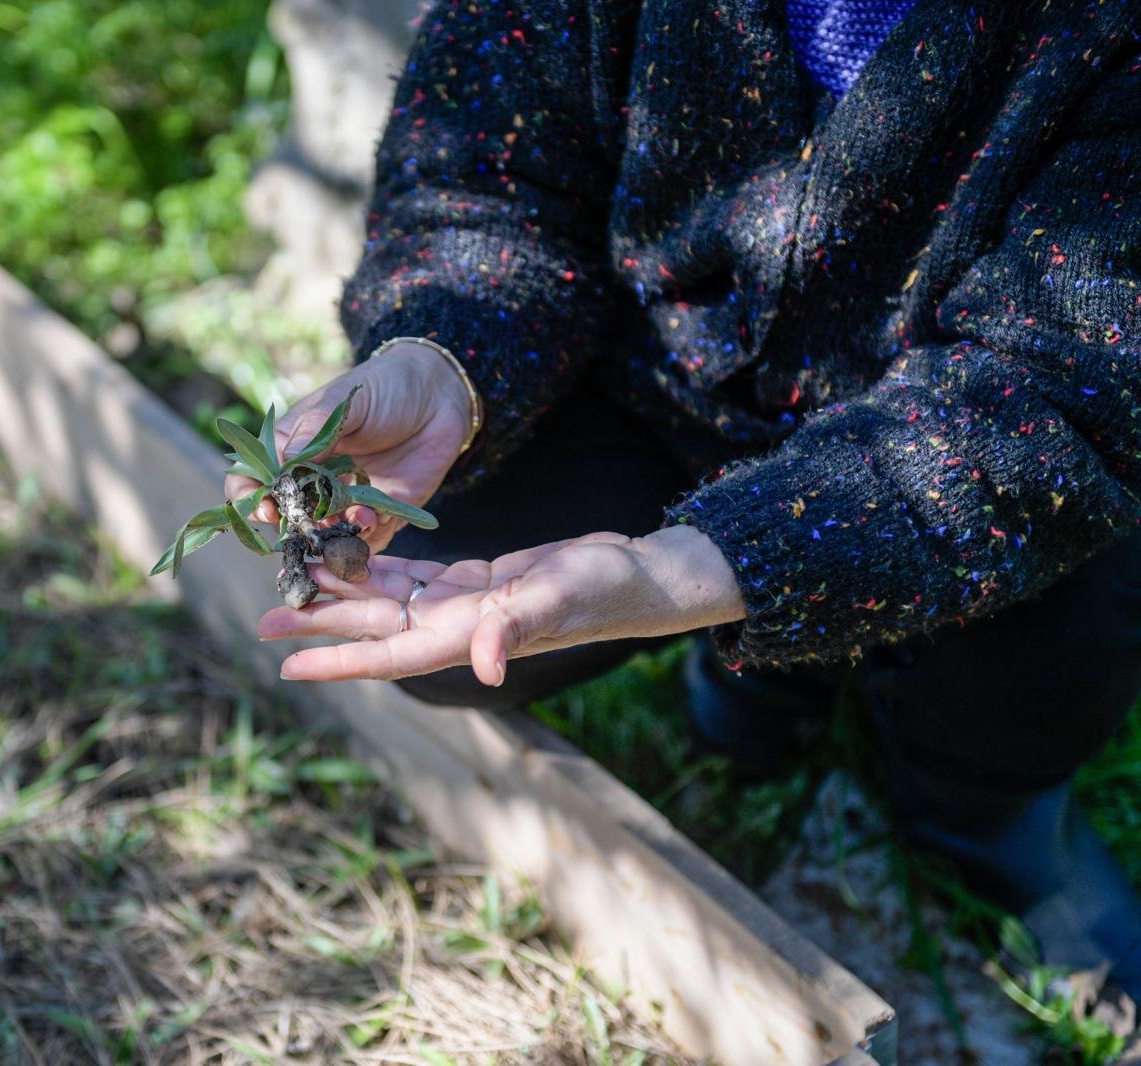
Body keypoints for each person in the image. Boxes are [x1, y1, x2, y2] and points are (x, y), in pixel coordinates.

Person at [230, 0, 1141, 997]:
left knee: (1037, 640)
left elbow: (1059, 388)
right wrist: (443, 350)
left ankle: (988, 810)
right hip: (661, 372)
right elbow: (482, 169)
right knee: (449, 583)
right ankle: (766, 670)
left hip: (954, 436)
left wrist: (698, 567)